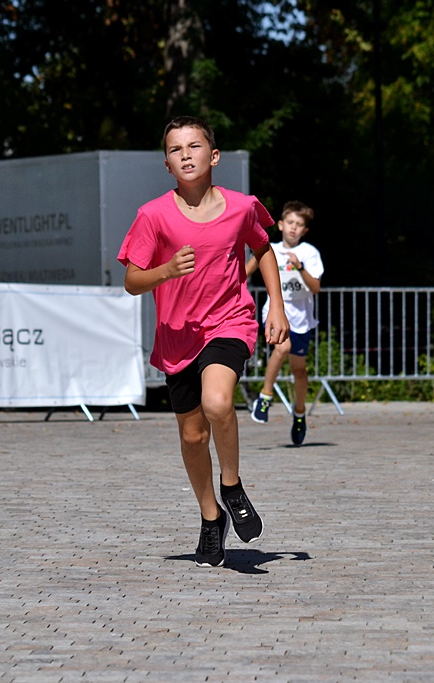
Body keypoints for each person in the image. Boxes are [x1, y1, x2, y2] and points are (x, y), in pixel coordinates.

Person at [118, 115, 288, 568]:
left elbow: (263, 248)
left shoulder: (242, 207)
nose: (186, 155)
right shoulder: (152, 215)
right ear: (167, 165)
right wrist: (166, 270)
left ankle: (231, 485)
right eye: (176, 150)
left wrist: (276, 305)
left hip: (229, 322)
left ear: (213, 156)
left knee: (218, 402)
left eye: (194, 146)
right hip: (177, 336)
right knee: (193, 437)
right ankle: (211, 517)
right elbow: (132, 280)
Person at [245, 201, 324, 445]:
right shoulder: (270, 249)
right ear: (280, 225)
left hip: (301, 319)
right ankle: (265, 396)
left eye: (298, 225)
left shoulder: (309, 253)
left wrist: (299, 267)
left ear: (304, 231)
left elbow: (315, 287)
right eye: (290, 222)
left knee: (299, 370)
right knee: (282, 348)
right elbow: (244, 272)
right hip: (275, 311)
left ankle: (299, 413)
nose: (293, 228)